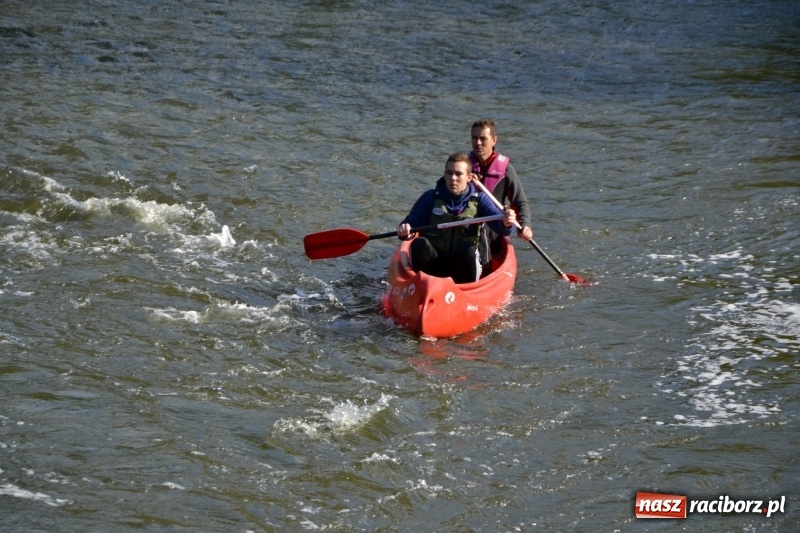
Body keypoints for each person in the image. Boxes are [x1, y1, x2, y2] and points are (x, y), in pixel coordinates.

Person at [397, 152, 516, 284]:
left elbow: (504, 230)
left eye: (458, 174)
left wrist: (506, 222)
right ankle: (419, 286)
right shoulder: (430, 197)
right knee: (419, 244)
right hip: (435, 262)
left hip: (462, 267)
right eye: (449, 173)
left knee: (468, 250)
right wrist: (405, 228)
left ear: (469, 177)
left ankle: (467, 290)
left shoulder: (480, 200)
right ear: (445, 175)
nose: (453, 178)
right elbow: (410, 222)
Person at [468, 118, 533, 264]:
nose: (478, 143)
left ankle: (484, 265)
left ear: (494, 140)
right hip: (465, 223)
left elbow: (520, 201)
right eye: (474, 138)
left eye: (483, 138)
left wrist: (525, 225)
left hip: (493, 229)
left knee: (483, 228)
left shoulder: (506, 170)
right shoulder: (463, 166)